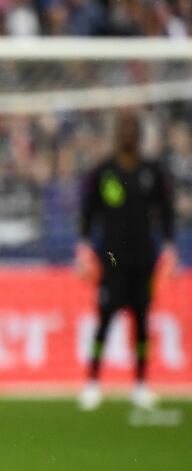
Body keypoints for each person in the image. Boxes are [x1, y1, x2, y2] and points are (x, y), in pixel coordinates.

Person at [76, 109, 177, 412]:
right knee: (104, 320)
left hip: (144, 259)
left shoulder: (153, 172)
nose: (128, 134)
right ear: (117, 134)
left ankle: (141, 384)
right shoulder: (104, 172)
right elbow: (87, 211)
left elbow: (167, 211)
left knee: (143, 322)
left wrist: (170, 247)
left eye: (133, 129)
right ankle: (92, 381)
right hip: (112, 260)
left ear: (140, 134)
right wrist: (82, 248)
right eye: (124, 129)